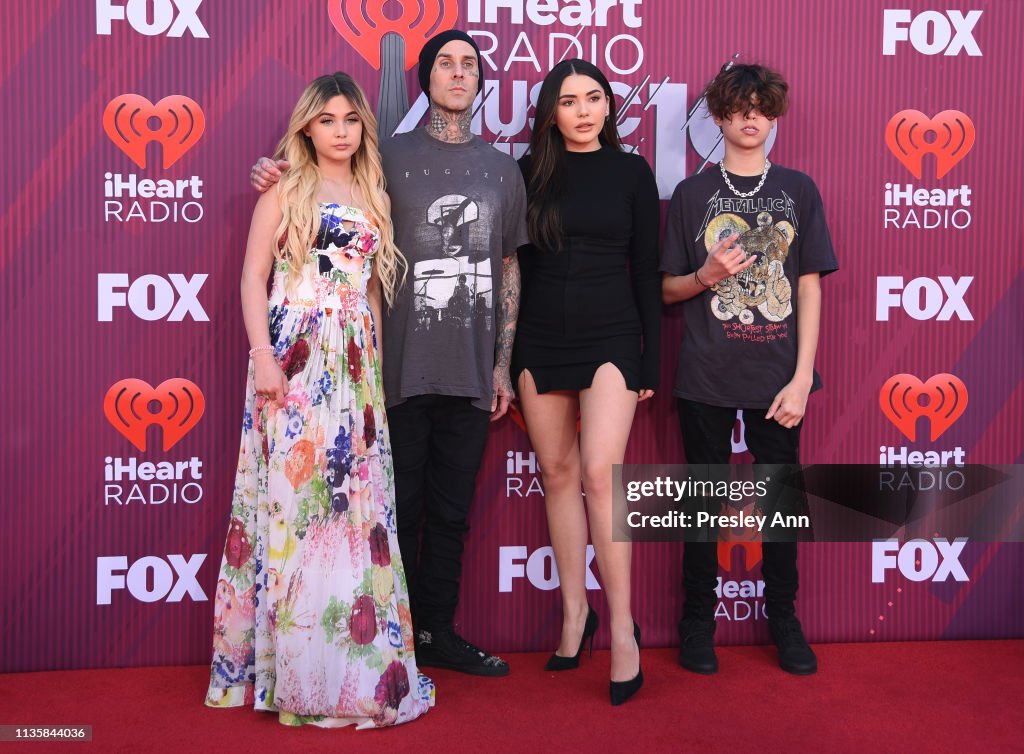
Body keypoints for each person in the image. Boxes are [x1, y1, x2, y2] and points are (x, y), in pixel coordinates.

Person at [251, 31, 528, 677]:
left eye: (469, 65)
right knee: (387, 512)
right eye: (445, 64)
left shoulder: (502, 168)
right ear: (426, 77)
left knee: (453, 516)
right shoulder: (383, 157)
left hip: (468, 370)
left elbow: (510, 267)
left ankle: (435, 634)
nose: (457, 74)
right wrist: (272, 172)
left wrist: (500, 362)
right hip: (387, 369)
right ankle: (386, 639)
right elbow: (323, 186)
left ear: (479, 81)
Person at [205, 72, 433, 727]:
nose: (340, 130)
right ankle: (297, 670)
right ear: (307, 125)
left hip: (355, 366)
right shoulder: (283, 186)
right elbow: (253, 277)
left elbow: (370, 296)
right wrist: (264, 358)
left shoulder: (372, 191)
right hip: (295, 360)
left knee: (355, 516)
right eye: (327, 118)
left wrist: (377, 381)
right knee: (298, 509)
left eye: (351, 119)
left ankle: (352, 668)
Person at [661, 63, 838, 676]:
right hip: (706, 375)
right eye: (738, 107)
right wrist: (705, 276)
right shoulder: (690, 196)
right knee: (701, 508)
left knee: (782, 507)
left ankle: (785, 622)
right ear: (717, 117)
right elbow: (667, 289)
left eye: (761, 106)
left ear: (775, 114)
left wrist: (801, 379)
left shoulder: (798, 189)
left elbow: (810, 286)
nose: (750, 117)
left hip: (778, 377)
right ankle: (696, 627)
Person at [513, 59, 660, 705]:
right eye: (568, 100)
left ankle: (624, 631)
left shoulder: (632, 171)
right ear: (551, 111)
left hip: (610, 337)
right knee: (559, 474)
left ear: (608, 107)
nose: (582, 110)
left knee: (602, 474)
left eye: (593, 98)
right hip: (539, 338)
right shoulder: (526, 174)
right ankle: (576, 616)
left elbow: (649, 269)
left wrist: (649, 362)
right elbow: (512, 270)